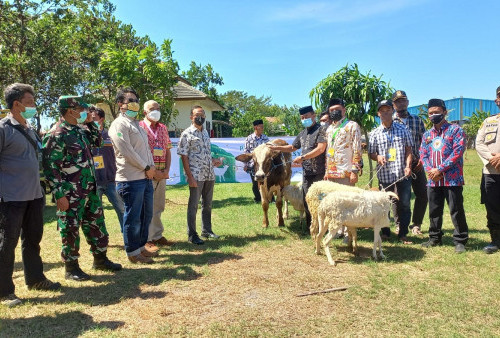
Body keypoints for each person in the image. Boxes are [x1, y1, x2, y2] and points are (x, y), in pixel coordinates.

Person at [43, 95, 122, 281]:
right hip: (70, 193)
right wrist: (58, 194)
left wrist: (91, 124)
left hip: (89, 189)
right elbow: (50, 167)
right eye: (82, 109)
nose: (86, 112)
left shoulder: (80, 130)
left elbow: (98, 142)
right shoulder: (56, 134)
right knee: (70, 229)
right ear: (71, 110)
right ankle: (71, 268)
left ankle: (100, 260)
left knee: (96, 224)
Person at [0, 83, 60, 307]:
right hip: (11, 198)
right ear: (16, 104)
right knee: (6, 244)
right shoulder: (3, 129)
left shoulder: (30, 129)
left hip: (35, 195)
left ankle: (35, 279)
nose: (34, 106)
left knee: (33, 240)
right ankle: (5, 291)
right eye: (30, 102)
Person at [109, 88, 157, 263]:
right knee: (133, 217)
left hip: (144, 177)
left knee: (146, 215)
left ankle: (141, 247)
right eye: (131, 100)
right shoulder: (118, 125)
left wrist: (150, 166)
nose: (134, 102)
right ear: (121, 104)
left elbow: (145, 150)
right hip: (130, 179)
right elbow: (126, 151)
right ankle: (132, 252)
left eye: (136, 99)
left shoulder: (136, 124)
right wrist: (145, 166)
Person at [420, 98, 468, 253]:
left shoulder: (455, 130)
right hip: (433, 180)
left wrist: (439, 169)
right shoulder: (427, 135)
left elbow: (457, 152)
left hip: (452, 179)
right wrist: (430, 170)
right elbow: (423, 154)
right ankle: (434, 237)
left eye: (437, 112)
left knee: (456, 209)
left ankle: (460, 240)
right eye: (431, 113)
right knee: (434, 210)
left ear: (444, 112)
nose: (434, 115)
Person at [269, 105, 326, 231]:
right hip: (307, 171)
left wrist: (303, 157)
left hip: (320, 171)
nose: (304, 119)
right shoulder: (302, 133)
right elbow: (292, 148)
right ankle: (310, 226)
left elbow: (321, 148)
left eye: (306, 116)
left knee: (320, 199)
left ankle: (322, 227)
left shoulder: (321, 130)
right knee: (307, 198)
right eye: (302, 117)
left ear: (314, 115)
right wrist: (276, 148)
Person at [368, 99, 413, 244]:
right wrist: (378, 156)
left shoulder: (403, 129)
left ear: (392, 111)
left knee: (404, 204)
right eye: (382, 111)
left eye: (388, 111)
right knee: (384, 205)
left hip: (402, 173)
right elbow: (371, 153)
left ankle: (403, 233)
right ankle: (386, 232)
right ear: (378, 113)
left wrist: (408, 166)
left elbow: (409, 150)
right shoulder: (374, 133)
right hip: (385, 174)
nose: (385, 113)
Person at [178, 106, 222, 245]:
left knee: (207, 204)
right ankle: (192, 234)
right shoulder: (187, 134)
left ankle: (207, 230)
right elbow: (183, 156)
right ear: (191, 117)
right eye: (198, 115)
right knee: (193, 205)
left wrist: (213, 161)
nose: (201, 117)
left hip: (209, 173)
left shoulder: (205, 133)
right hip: (196, 175)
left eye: (203, 115)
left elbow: (206, 153)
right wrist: (190, 177)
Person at [392, 90, 428, 236]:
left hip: (417, 163)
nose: (401, 103)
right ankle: (399, 224)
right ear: (394, 105)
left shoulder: (417, 120)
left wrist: (422, 158)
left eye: (404, 100)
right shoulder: (391, 121)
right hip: (399, 165)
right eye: (398, 101)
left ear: (408, 102)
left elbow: (425, 141)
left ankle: (416, 224)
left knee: (422, 194)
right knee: (398, 197)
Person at [139, 100, 173, 248]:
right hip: (145, 174)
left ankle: (157, 235)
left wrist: (166, 171)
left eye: (158, 108)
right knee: (145, 207)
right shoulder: (139, 127)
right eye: (153, 109)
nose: (156, 111)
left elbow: (168, 150)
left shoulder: (163, 128)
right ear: (145, 112)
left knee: (158, 206)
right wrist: (150, 171)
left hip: (161, 174)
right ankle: (146, 239)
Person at [90, 106, 125, 232]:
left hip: (111, 179)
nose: (91, 120)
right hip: (94, 182)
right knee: (96, 212)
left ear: (102, 119)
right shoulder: (87, 137)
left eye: (94, 118)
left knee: (121, 208)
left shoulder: (110, 135)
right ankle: (101, 237)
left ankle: (127, 235)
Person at [475, 86, 500, 254]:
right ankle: (495, 240)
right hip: (491, 172)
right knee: (492, 208)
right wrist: (492, 158)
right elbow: (479, 143)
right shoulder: (489, 121)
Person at [324, 98, 362, 186]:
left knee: (347, 199)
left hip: (346, 173)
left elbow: (357, 149)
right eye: (331, 110)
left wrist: (354, 171)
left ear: (344, 110)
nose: (334, 112)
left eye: (337, 109)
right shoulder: (329, 129)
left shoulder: (352, 125)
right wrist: (327, 171)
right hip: (331, 173)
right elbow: (328, 150)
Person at [243, 119, 270, 202]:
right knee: (255, 183)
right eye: (260, 126)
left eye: (263, 126)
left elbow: (269, 150)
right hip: (253, 164)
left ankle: (270, 198)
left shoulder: (265, 138)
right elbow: (246, 152)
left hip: (264, 164)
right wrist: (246, 164)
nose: (262, 128)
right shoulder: (249, 138)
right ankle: (258, 198)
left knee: (267, 181)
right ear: (255, 127)